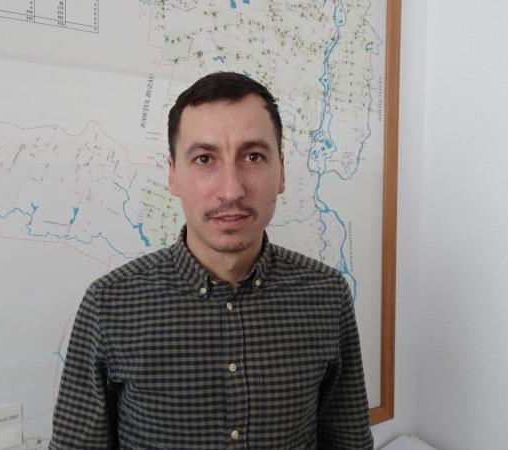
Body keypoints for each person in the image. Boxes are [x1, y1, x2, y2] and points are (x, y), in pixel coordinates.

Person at [49, 72, 373, 449]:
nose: (231, 190)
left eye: (253, 156)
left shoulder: (327, 295)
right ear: (173, 175)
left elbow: (348, 441)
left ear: (282, 172)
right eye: (204, 159)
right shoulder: (109, 304)